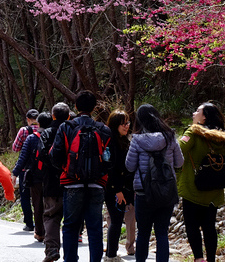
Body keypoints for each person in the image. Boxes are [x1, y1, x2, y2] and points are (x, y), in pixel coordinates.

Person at [50, 91, 112, 262]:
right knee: (95, 228)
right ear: (94, 108)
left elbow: (55, 156)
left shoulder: (66, 127)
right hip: (97, 184)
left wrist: (67, 169)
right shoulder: (104, 130)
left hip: (72, 184)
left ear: (75, 107)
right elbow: (110, 159)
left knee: (70, 226)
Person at [126, 104, 184, 262]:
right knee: (162, 232)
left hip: (144, 193)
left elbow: (129, 166)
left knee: (143, 232)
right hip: (166, 192)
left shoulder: (136, 140)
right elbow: (179, 163)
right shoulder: (170, 136)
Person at [178, 102, 225, 262]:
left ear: (204, 117)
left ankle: (198, 258)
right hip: (214, 191)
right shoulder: (222, 137)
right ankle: (210, 259)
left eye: (197, 111)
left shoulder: (194, 133)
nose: (194, 113)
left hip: (193, 188)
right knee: (209, 227)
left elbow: (179, 149)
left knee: (192, 225)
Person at [12, 111, 51, 243]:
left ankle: (40, 232)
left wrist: (15, 173)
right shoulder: (56, 135)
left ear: (38, 123)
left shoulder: (31, 137)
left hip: (35, 176)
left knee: (37, 205)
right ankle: (52, 231)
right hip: (52, 177)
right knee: (52, 205)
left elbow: (22, 157)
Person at [104, 110, 135, 262]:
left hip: (123, 188)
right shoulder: (111, 141)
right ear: (115, 124)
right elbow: (111, 168)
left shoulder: (124, 139)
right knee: (116, 221)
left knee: (116, 220)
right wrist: (117, 190)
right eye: (123, 123)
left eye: (128, 123)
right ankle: (111, 255)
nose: (126, 126)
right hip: (114, 189)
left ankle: (110, 253)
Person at [41, 102, 69, 262]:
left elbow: (42, 155)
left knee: (51, 216)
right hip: (72, 181)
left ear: (53, 116)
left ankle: (52, 250)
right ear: (69, 116)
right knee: (71, 219)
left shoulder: (47, 133)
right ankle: (71, 254)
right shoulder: (73, 131)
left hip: (51, 181)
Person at [12, 108, 40, 232]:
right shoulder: (43, 130)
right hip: (41, 168)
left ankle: (29, 223)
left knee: (25, 196)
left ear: (28, 119)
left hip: (25, 169)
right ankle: (41, 223)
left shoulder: (24, 131)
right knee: (40, 196)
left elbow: (15, 148)